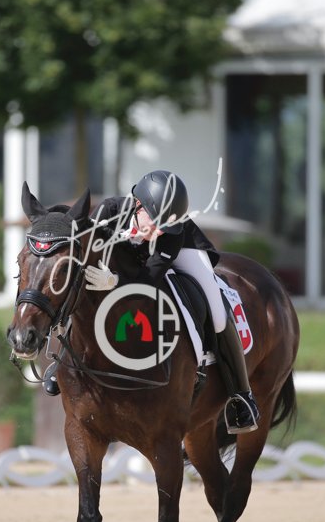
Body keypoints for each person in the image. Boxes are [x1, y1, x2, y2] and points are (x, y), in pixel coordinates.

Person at [43, 170, 260, 434]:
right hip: (127, 261)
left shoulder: (171, 234)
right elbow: (87, 258)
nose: (157, 232)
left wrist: (115, 281)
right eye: (154, 223)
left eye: (163, 227)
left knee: (216, 311)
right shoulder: (108, 213)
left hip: (183, 250)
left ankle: (241, 396)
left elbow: (148, 279)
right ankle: (61, 360)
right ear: (138, 205)